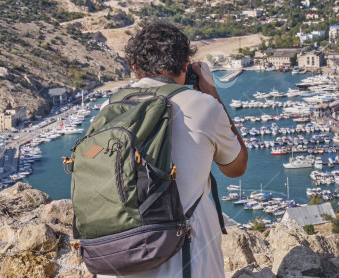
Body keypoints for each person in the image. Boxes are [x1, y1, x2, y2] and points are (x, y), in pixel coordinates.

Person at [99, 21, 247, 278]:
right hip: (187, 264)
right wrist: (213, 95)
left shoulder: (108, 109)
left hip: (117, 261)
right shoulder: (204, 106)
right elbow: (236, 167)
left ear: (135, 68)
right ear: (186, 66)